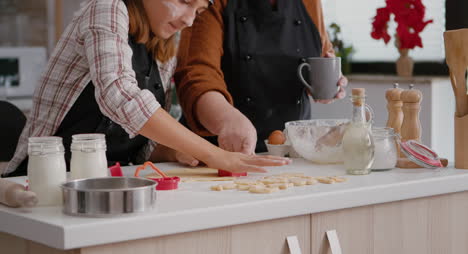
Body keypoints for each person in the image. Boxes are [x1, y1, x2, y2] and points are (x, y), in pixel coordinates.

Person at [3, 0, 290, 177]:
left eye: (199, 10)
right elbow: (119, 95)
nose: (189, 20)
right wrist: (214, 154)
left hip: (109, 182)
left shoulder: (165, 44)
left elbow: (137, 146)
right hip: (41, 183)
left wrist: (175, 152)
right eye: (184, 1)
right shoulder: (106, 8)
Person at [174, 0, 348, 156]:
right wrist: (227, 120)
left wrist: (326, 81)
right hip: (222, 152)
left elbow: (322, 53)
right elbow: (197, 74)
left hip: (294, 150)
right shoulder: (214, 2)